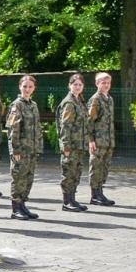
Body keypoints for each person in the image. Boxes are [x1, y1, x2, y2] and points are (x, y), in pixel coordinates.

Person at [7, 74, 42, 221]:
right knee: (19, 178)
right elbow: (12, 129)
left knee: (28, 178)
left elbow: (37, 128)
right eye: (25, 86)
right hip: (21, 150)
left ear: (34, 88)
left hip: (32, 149)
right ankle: (16, 208)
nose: (27, 89)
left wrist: (38, 147)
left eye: (30, 87)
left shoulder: (33, 105)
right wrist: (15, 150)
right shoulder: (16, 105)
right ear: (20, 87)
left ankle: (22, 205)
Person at [58, 72, 91, 213]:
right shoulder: (69, 103)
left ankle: (72, 199)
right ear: (69, 85)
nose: (77, 87)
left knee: (76, 172)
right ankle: (67, 201)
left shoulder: (80, 101)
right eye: (75, 84)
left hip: (80, 145)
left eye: (80, 85)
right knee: (69, 173)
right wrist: (66, 146)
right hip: (71, 146)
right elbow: (65, 126)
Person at [88, 71, 116, 206]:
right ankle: (95, 195)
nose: (106, 85)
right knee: (96, 167)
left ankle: (100, 192)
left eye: (108, 83)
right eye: (103, 83)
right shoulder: (95, 99)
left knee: (104, 167)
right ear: (97, 83)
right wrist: (91, 140)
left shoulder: (109, 99)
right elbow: (89, 121)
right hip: (98, 141)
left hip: (108, 140)